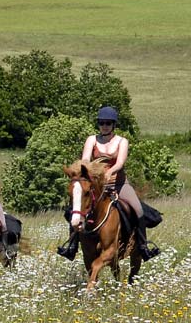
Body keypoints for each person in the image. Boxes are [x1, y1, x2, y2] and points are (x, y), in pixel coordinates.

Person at [57, 106, 159, 261]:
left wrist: (110, 172)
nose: (104, 126)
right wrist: (82, 172)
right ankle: (72, 246)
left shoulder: (122, 141)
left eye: (108, 123)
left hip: (118, 184)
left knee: (138, 210)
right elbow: (85, 160)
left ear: (113, 125)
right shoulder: (92, 140)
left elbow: (120, 163)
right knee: (75, 210)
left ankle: (144, 247)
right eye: (102, 123)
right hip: (97, 185)